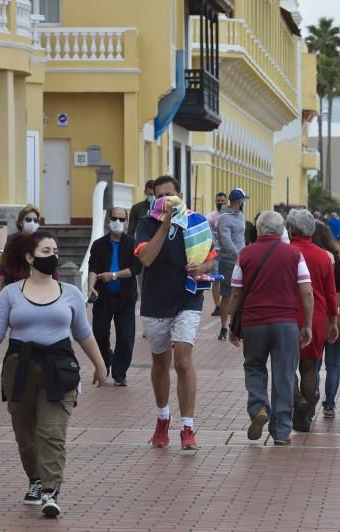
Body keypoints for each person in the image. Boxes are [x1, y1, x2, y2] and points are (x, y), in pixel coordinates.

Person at [0, 230, 107, 517]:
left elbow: (83, 333)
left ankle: (51, 490)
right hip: (19, 367)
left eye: (55, 251)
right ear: (29, 257)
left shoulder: (71, 293)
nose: (53, 256)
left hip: (58, 367)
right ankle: (35, 479)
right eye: (46, 251)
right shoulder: (11, 293)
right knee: (25, 435)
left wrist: (99, 365)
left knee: (51, 431)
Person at [135, 175, 215, 450]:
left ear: (180, 194)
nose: (168, 200)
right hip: (155, 302)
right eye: (161, 196)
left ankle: (188, 427)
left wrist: (202, 269)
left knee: (182, 360)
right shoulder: (146, 224)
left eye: (171, 195)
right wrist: (166, 222)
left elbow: (210, 261)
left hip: (188, 297)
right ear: (153, 198)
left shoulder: (196, 222)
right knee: (160, 363)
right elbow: (146, 258)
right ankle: (163, 417)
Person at [227, 211, 314, 445]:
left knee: (254, 366)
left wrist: (230, 320)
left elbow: (236, 291)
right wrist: (307, 325)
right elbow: (306, 291)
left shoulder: (245, 254)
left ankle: (258, 407)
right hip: (286, 324)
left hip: (254, 323)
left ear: (259, 229)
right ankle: (282, 431)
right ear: (281, 229)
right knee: (284, 374)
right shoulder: (295, 254)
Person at [287, 209, 339, 431]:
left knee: (287, 368)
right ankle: (307, 413)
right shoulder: (324, 256)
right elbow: (331, 292)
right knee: (309, 367)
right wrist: (333, 321)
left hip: (287, 315)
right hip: (316, 317)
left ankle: (297, 402)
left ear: (290, 229)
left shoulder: (285, 252)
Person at [88, 207, 142, 386]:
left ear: (126, 222)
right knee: (100, 334)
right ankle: (106, 360)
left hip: (125, 298)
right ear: (108, 220)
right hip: (103, 298)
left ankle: (120, 373)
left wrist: (113, 275)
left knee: (126, 337)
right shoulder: (98, 244)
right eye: (114, 218)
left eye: (121, 219)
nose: (117, 222)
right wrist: (91, 286)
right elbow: (93, 267)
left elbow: (136, 269)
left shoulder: (133, 244)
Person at [312, 221, 340, 418]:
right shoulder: (333, 258)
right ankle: (329, 405)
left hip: (315, 314)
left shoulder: (307, 257)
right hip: (334, 313)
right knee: (334, 364)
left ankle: (311, 397)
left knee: (315, 363)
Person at [0, 204, 56, 295]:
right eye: (28, 219)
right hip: (15, 285)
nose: (32, 223)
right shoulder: (12, 240)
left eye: (36, 220)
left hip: (37, 287)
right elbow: (3, 268)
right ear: (21, 222)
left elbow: (51, 266)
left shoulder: (42, 240)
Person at [216, 188, 248, 341]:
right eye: (243, 200)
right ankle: (224, 327)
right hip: (229, 261)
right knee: (228, 295)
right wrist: (238, 254)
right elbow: (225, 240)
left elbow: (240, 237)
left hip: (242, 260)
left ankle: (236, 324)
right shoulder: (224, 218)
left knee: (241, 293)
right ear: (239, 200)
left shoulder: (240, 215)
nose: (244, 202)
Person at [207, 192, 228, 317]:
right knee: (216, 279)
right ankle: (218, 306)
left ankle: (228, 304)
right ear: (215, 201)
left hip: (227, 252)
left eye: (223, 201)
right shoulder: (210, 217)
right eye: (218, 200)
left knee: (228, 279)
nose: (220, 202)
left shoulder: (229, 216)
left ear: (226, 202)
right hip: (215, 251)